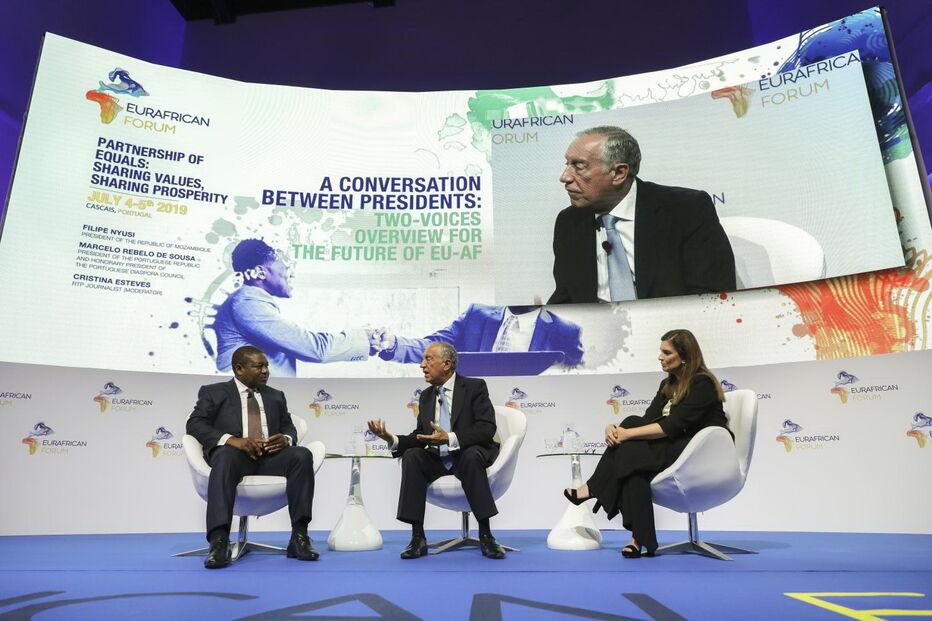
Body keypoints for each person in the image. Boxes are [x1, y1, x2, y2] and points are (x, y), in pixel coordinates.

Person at [563, 329, 730, 557]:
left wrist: (626, 435)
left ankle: (594, 489)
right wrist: (613, 428)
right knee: (632, 443)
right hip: (671, 445)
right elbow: (647, 420)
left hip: (698, 450)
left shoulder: (702, 383)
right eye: (660, 352)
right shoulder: (668, 384)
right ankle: (639, 539)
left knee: (630, 446)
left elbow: (673, 425)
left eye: (666, 352)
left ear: (685, 356)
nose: (660, 357)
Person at [548, 126, 735, 304]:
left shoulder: (686, 210)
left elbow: (712, 294)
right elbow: (567, 298)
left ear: (619, 173)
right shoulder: (569, 222)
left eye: (579, 166)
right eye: (567, 164)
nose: (565, 177)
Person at [367, 342, 507, 560]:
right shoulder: (426, 396)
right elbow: (420, 435)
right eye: (423, 360)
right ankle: (417, 537)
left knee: (471, 457)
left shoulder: (474, 387)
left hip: (468, 453)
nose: (422, 365)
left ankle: (486, 535)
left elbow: (486, 429)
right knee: (412, 456)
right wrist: (392, 439)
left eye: (428, 359)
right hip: (439, 458)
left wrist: (451, 438)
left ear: (447, 364)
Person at [186, 345, 319, 568]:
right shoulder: (214, 392)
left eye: (266, 366)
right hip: (236, 456)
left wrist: (285, 439)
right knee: (224, 457)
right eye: (259, 366)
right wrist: (231, 440)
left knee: (302, 455)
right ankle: (219, 540)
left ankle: (299, 536)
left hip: (270, 457)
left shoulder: (276, 396)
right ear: (239, 369)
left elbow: (288, 425)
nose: (266, 371)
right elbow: (195, 423)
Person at [211, 239, 371, 377]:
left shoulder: (250, 301)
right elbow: (314, 349)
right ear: (260, 272)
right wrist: (366, 339)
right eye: (286, 267)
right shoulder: (247, 303)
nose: (291, 274)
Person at [374, 303, 585, 367]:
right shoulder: (476, 315)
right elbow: (434, 347)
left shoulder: (565, 330)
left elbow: (574, 378)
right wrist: (393, 344)